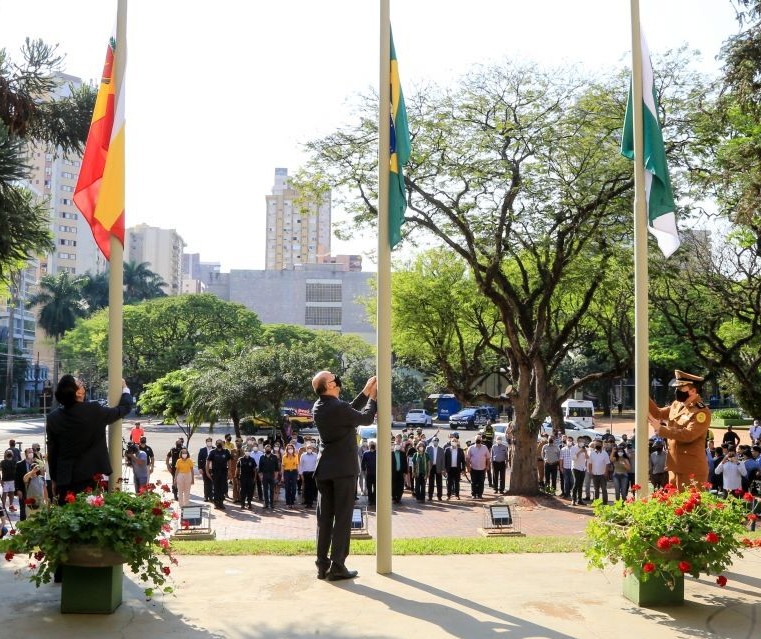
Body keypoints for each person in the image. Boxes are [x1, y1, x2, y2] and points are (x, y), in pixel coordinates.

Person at [311, 371, 377, 581]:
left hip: (326, 469)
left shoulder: (320, 406)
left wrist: (365, 392)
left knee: (324, 520)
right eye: (334, 378)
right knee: (342, 519)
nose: (337, 379)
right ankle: (338, 566)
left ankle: (323, 565)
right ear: (329, 386)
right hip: (343, 470)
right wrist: (373, 398)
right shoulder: (337, 407)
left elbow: (347, 410)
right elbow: (365, 418)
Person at [46, 375, 131, 502]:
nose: (83, 385)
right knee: (88, 515)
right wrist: (125, 389)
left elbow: (52, 452)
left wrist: (54, 479)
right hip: (89, 477)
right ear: (78, 392)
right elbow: (123, 409)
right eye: (80, 383)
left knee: (66, 518)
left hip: (64, 479)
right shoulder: (94, 411)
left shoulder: (53, 418)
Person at [648, 369, 711, 489]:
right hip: (674, 465)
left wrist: (662, 429)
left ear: (693, 391)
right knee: (674, 504)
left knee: (690, 505)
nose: (677, 391)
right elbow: (658, 413)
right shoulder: (677, 404)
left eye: (681, 389)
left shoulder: (701, 411)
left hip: (691, 468)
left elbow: (688, 435)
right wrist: (644, 396)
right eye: (676, 388)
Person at [205, 439, 230, 510]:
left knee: (222, 488)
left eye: (220, 442)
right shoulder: (212, 452)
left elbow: (229, 461)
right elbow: (208, 461)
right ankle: (216, 503)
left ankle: (221, 503)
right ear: (216, 444)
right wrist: (207, 472)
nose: (219, 444)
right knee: (215, 488)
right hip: (215, 473)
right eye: (218, 442)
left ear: (222, 444)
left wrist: (230, 472)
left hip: (223, 473)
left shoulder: (226, 451)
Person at [258, 443, 280, 510]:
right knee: (265, 490)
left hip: (272, 475)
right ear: (264, 449)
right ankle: (266, 503)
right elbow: (260, 469)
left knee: (271, 490)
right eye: (266, 448)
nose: (268, 449)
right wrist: (261, 477)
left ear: (271, 449)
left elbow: (276, 468)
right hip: (264, 475)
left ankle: (271, 504)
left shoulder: (274, 457)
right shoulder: (262, 457)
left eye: (269, 448)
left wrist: (276, 477)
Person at [587, 440, 610, 504]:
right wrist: (590, 472)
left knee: (604, 489)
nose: (597, 445)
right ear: (594, 446)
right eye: (596, 444)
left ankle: (605, 503)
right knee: (596, 489)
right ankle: (596, 503)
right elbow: (590, 463)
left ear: (601, 445)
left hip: (603, 474)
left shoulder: (605, 453)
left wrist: (606, 472)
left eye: (599, 444)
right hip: (594, 474)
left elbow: (607, 464)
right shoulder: (592, 453)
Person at [299, 441, 319, 508]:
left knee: (312, 488)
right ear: (306, 448)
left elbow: (317, 465)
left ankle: (310, 503)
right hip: (305, 473)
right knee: (306, 488)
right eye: (308, 447)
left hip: (313, 473)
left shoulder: (315, 455)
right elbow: (301, 465)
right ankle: (307, 501)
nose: (309, 448)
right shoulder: (303, 455)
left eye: (310, 447)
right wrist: (301, 474)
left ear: (312, 448)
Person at [426, 437, 445, 501]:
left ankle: (439, 496)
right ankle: (430, 496)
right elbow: (426, 459)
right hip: (431, 467)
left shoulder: (441, 449)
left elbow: (443, 460)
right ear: (432, 441)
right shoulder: (428, 448)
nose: (436, 441)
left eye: (437, 440)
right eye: (434, 440)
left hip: (438, 467)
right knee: (431, 482)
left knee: (439, 483)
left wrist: (443, 469)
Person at [197, 437, 215, 503]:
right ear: (206, 442)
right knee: (206, 483)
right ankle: (206, 496)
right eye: (208, 441)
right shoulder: (202, 450)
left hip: (213, 469)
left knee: (212, 483)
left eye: (210, 441)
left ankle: (211, 497)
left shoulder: (214, 449)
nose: (209, 442)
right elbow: (199, 459)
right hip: (204, 469)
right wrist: (200, 468)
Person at [281, 443, 299, 507]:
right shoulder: (284, 456)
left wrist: (298, 474)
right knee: (287, 487)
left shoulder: (296, 456)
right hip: (287, 472)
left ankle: (292, 502)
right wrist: (282, 476)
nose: (290, 449)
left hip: (294, 472)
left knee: (294, 488)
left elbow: (297, 465)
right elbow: (283, 466)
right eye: (289, 448)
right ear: (287, 449)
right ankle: (288, 502)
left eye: (291, 448)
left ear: (293, 449)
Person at [360, 441, 377, 506]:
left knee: (376, 488)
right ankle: (370, 500)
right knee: (369, 488)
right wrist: (364, 470)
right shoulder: (366, 453)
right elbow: (363, 463)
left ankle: (375, 499)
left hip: (376, 474)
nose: (372, 446)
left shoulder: (378, 453)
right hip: (369, 473)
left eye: (373, 445)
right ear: (369, 446)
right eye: (371, 445)